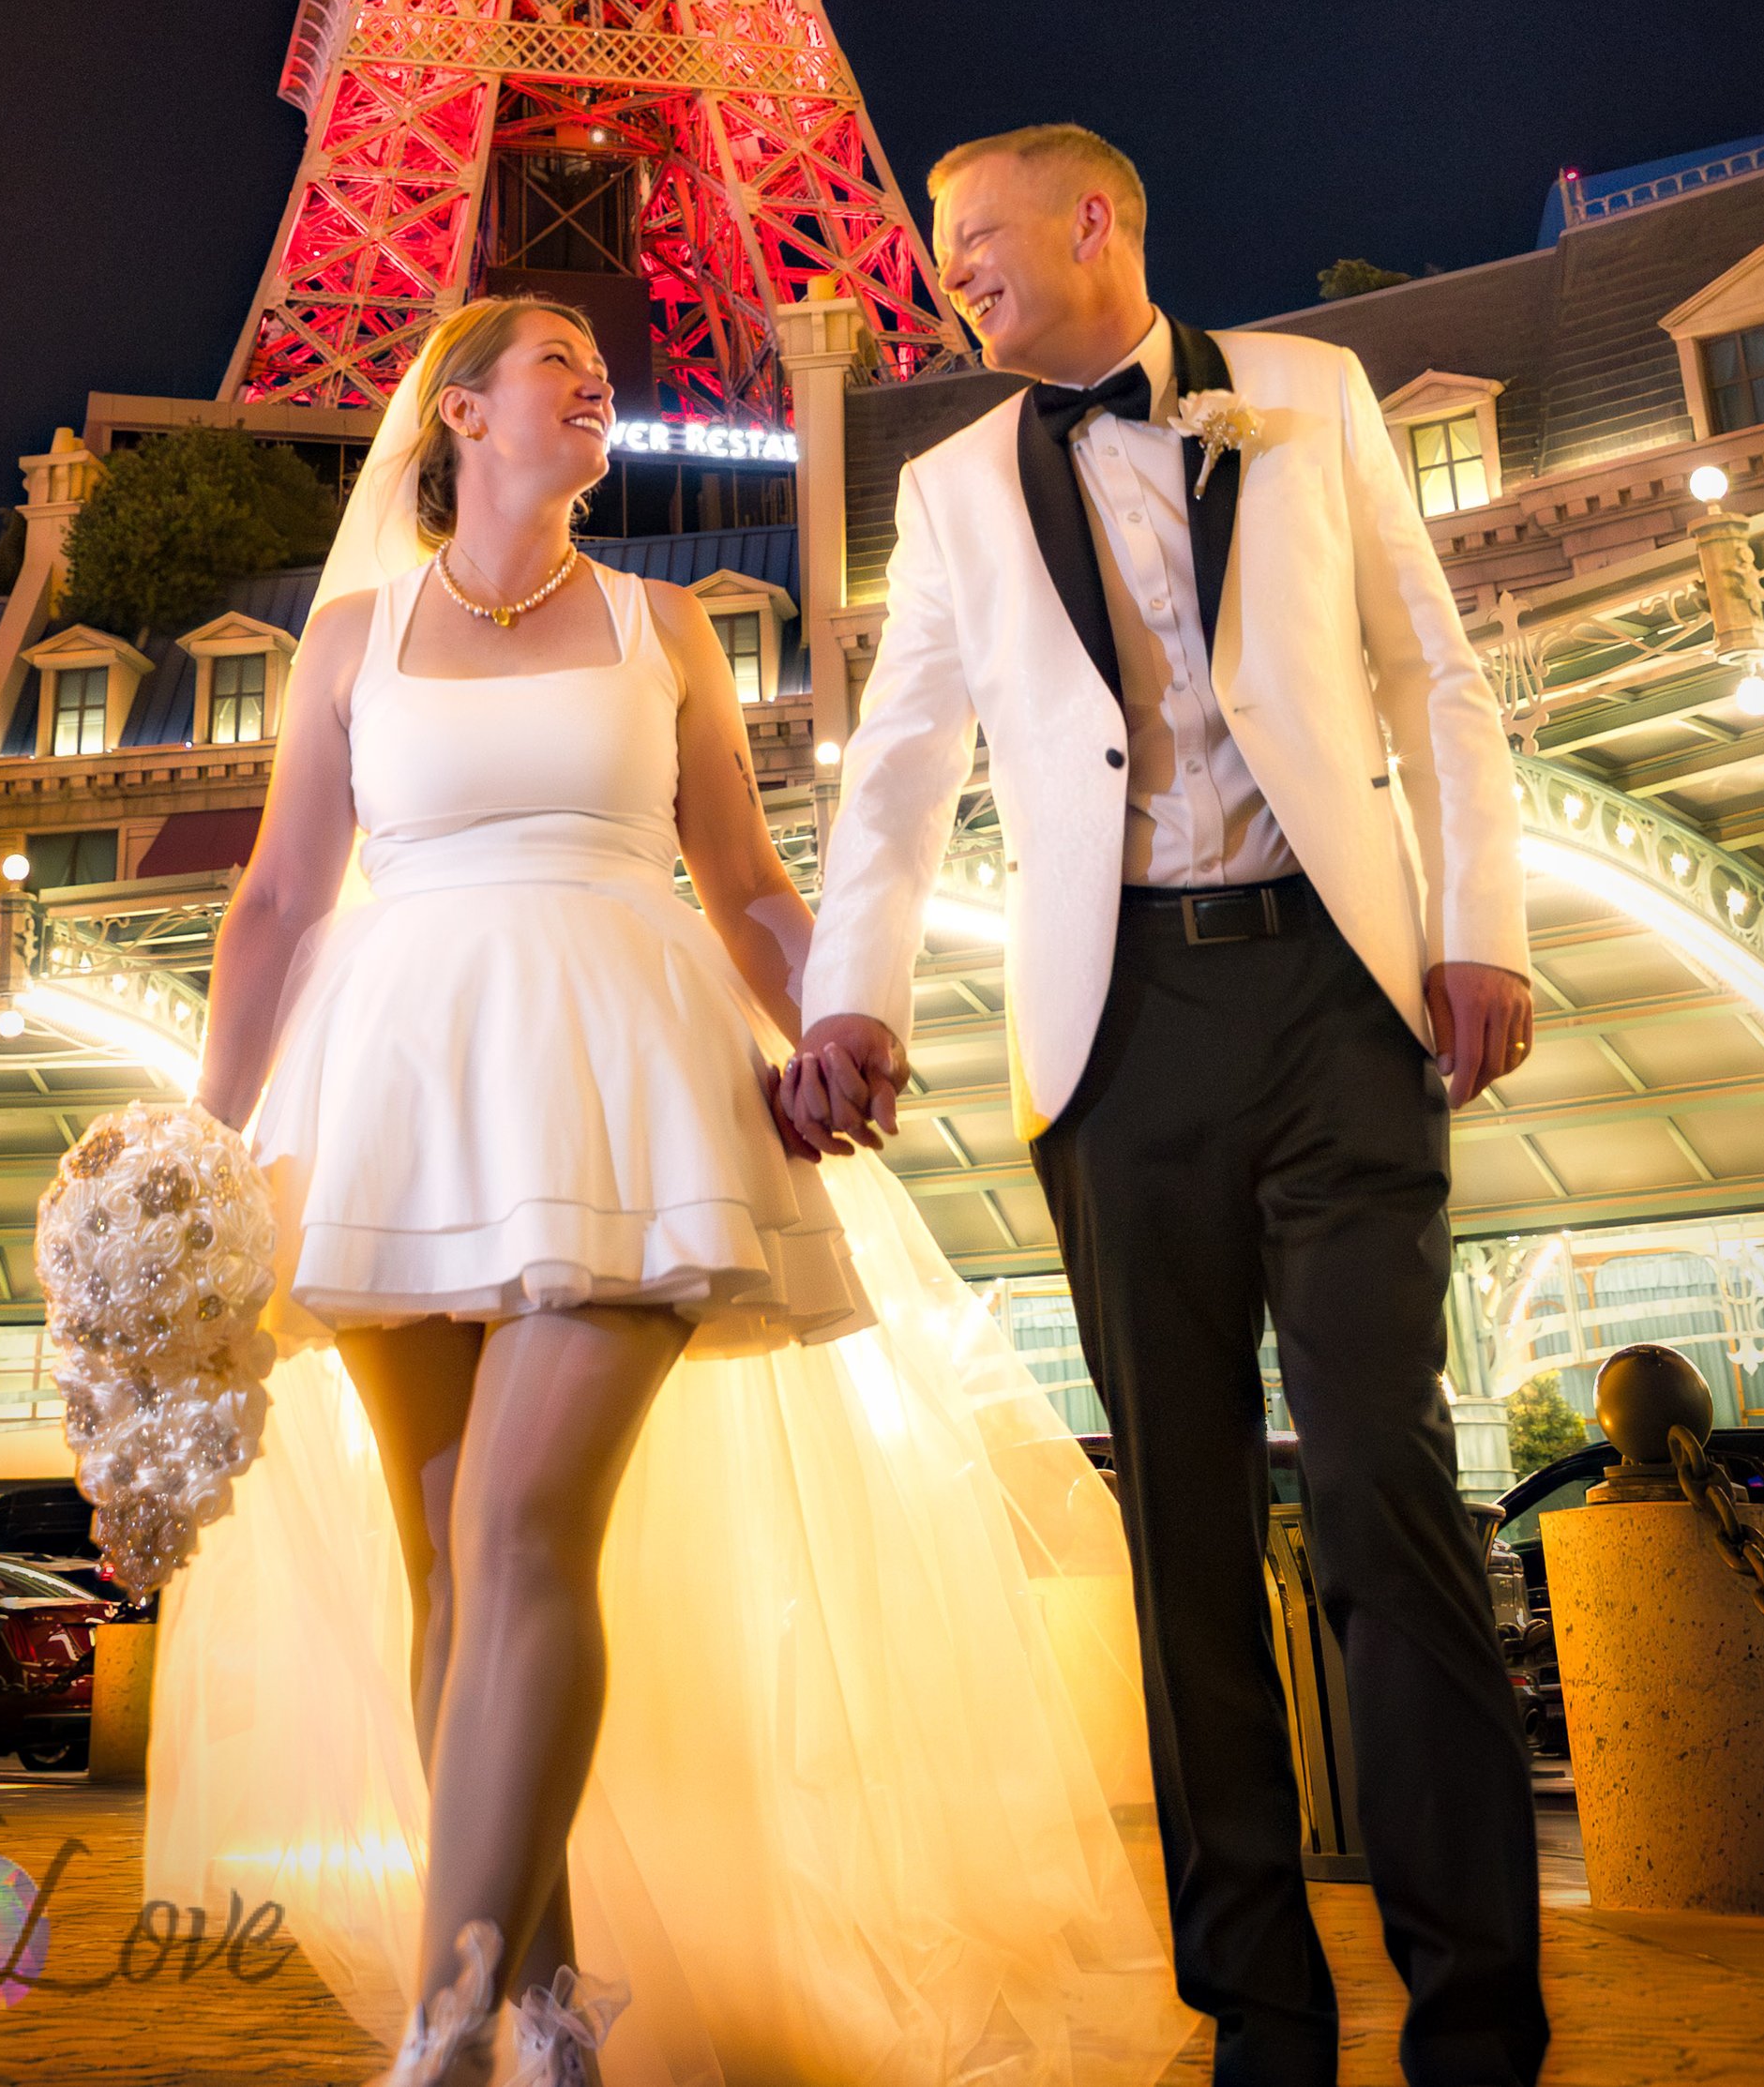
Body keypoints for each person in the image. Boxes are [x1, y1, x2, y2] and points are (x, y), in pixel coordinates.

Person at [171, 291, 1185, 2087]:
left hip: (623, 1082)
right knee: (447, 1571)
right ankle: (553, 2008)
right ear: (462, 411)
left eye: (597, 362)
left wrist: (839, 1011)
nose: (595, 375)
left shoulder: (670, 626)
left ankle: (452, 2018)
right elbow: (274, 902)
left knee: (517, 1531)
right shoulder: (345, 638)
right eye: (553, 355)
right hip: (396, 1093)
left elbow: (749, 883)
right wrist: (196, 1146)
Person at [784, 125, 1545, 2087]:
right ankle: (1261, 2026)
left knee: (1389, 1488)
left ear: (1094, 218)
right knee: (1182, 1536)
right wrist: (844, 994)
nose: (946, 272)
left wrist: (1478, 928)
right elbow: (895, 761)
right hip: (1113, 1036)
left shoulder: (1311, 394)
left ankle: (1476, 2025)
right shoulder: (951, 485)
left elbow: (1428, 676)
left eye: (974, 241)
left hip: (1336, 993)